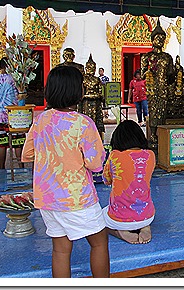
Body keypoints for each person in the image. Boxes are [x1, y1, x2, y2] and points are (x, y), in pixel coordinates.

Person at [21, 65, 109, 278]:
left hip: (47, 198)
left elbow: (28, 153)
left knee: (60, 249)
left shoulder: (40, 120)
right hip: (76, 198)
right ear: (77, 92)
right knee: (99, 243)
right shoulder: (82, 123)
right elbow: (96, 163)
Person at [102, 120, 155, 244]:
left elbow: (106, 180)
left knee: (99, 218)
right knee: (143, 205)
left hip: (119, 219)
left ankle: (120, 232)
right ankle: (145, 227)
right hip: (147, 216)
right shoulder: (150, 155)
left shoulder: (114, 156)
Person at [140, 20, 176, 150]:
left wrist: (177, 70)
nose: (160, 40)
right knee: (154, 111)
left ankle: (162, 133)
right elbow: (142, 74)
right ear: (152, 39)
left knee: (164, 111)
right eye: (158, 38)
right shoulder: (147, 57)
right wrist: (149, 71)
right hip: (153, 89)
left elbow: (171, 76)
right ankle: (153, 134)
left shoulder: (167, 57)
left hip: (164, 88)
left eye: (162, 38)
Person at [0, 57, 25, 169]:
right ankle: (21, 167)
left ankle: (1, 168)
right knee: (18, 143)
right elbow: (21, 96)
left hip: (0, 115)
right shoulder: (15, 80)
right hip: (14, 115)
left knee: (2, 144)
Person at [81, 55, 105, 138]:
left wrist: (100, 97)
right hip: (85, 103)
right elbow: (81, 93)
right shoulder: (83, 79)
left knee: (96, 120)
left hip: (96, 103)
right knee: (86, 120)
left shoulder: (97, 79)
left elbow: (100, 92)